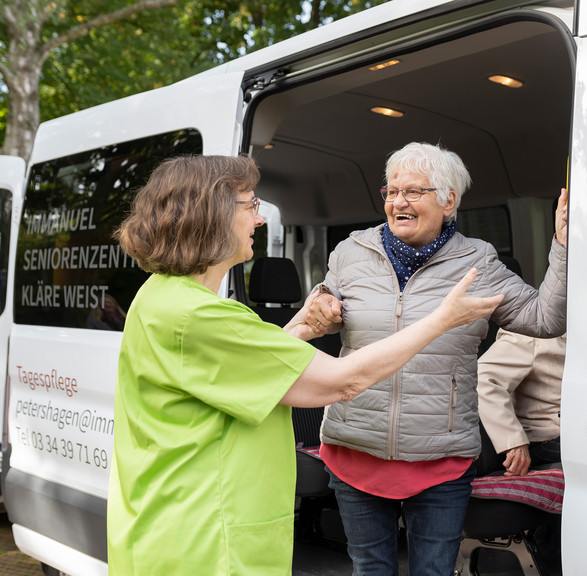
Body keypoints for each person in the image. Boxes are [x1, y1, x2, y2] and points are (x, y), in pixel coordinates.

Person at [106, 154, 503, 576]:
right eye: (251, 205)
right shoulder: (201, 317)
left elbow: (243, 368)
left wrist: (297, 330)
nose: (259, 220)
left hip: (169, 531)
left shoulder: (161, 297)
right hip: (205, 546)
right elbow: (343, 381)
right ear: (211, 215)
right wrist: (442, 319)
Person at [306, 142, 568, 576]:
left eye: (413, 191)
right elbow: (326, 303)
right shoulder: (350, 251)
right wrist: (321, 301)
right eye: (392, 191)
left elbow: (545, 319)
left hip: (440, 459)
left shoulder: (478, 261)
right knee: (370, 570)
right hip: (355, 448)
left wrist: (561, 245)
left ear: (448, 201)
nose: (398, 202)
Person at [477, 329, 566, 477]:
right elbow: (483, 380)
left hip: (582, 430)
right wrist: (514, 442)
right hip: (547, 440)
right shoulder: (528, 334)